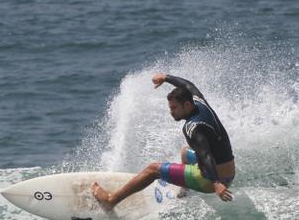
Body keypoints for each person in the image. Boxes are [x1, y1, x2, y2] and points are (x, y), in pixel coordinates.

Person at [92, 73, 235, 210]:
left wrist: (216, 183)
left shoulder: (192, 128)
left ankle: (111, 201)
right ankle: (185, 190)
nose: (171, 112)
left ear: (186, 105)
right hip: (229, 171)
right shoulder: (200, 102)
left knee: (153, 169)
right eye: (170, 107)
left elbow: (206, 155)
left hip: (210, 180)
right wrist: (166, 78)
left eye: (174, 108)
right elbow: (188, 85)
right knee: (185, 152)